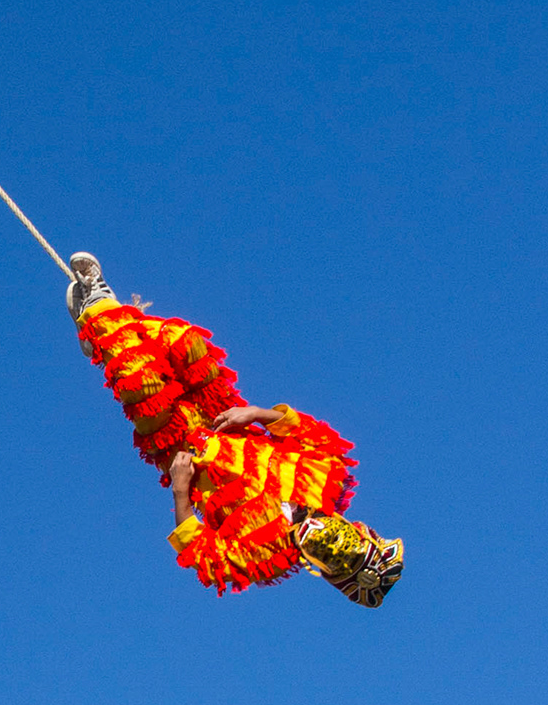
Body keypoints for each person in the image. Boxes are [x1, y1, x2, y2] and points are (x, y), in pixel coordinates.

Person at [66, 252, 404, 608]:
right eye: (354, 547)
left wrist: (181, 489)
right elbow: (307, 432)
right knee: (184, 341)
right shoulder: (326, 479)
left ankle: (99, 306)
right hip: (221, 414)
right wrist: (255, 413)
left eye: (342, 560)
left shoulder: (262, 558)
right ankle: (103, 331)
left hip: (180, 449)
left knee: (142, 380)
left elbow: (202, 555)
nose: (340, 547)